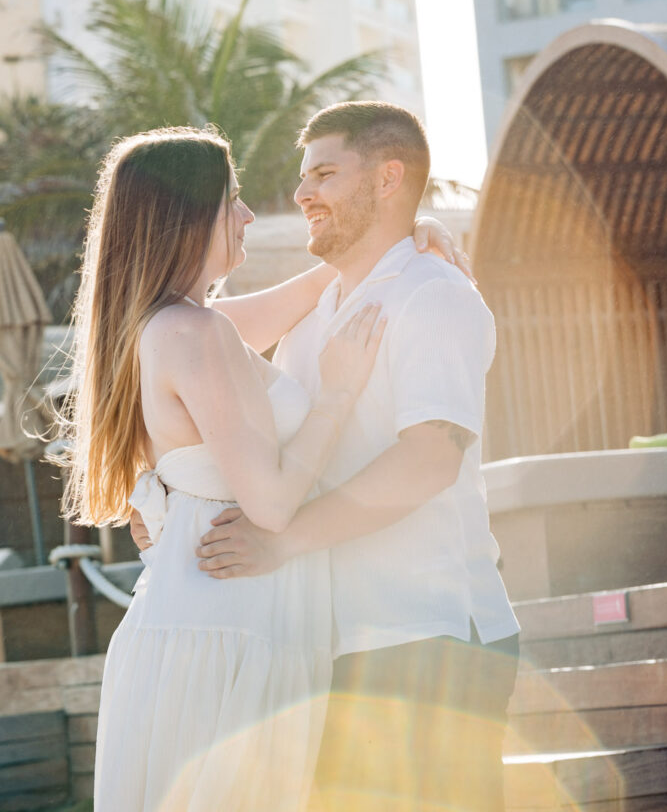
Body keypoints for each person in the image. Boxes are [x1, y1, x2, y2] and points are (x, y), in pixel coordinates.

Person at [64, 127, 465, 812]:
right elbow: (273, 506)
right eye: (233, 201)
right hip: (233, 624)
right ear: (185, 218)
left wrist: (390, 238)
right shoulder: (196, 333)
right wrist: (336, 394)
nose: (248, 216)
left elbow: (295, 299)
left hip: (205, 623)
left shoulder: (170, 326)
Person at [192, 101, 520, 811]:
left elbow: (431, 460)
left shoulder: (434, 296)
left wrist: (282, 543)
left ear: (387, 178)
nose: (302, 193)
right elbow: (182, 339)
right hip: (334, 644)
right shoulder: (317, 314)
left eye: (326, 174)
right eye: (304, 177)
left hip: (429, 637)